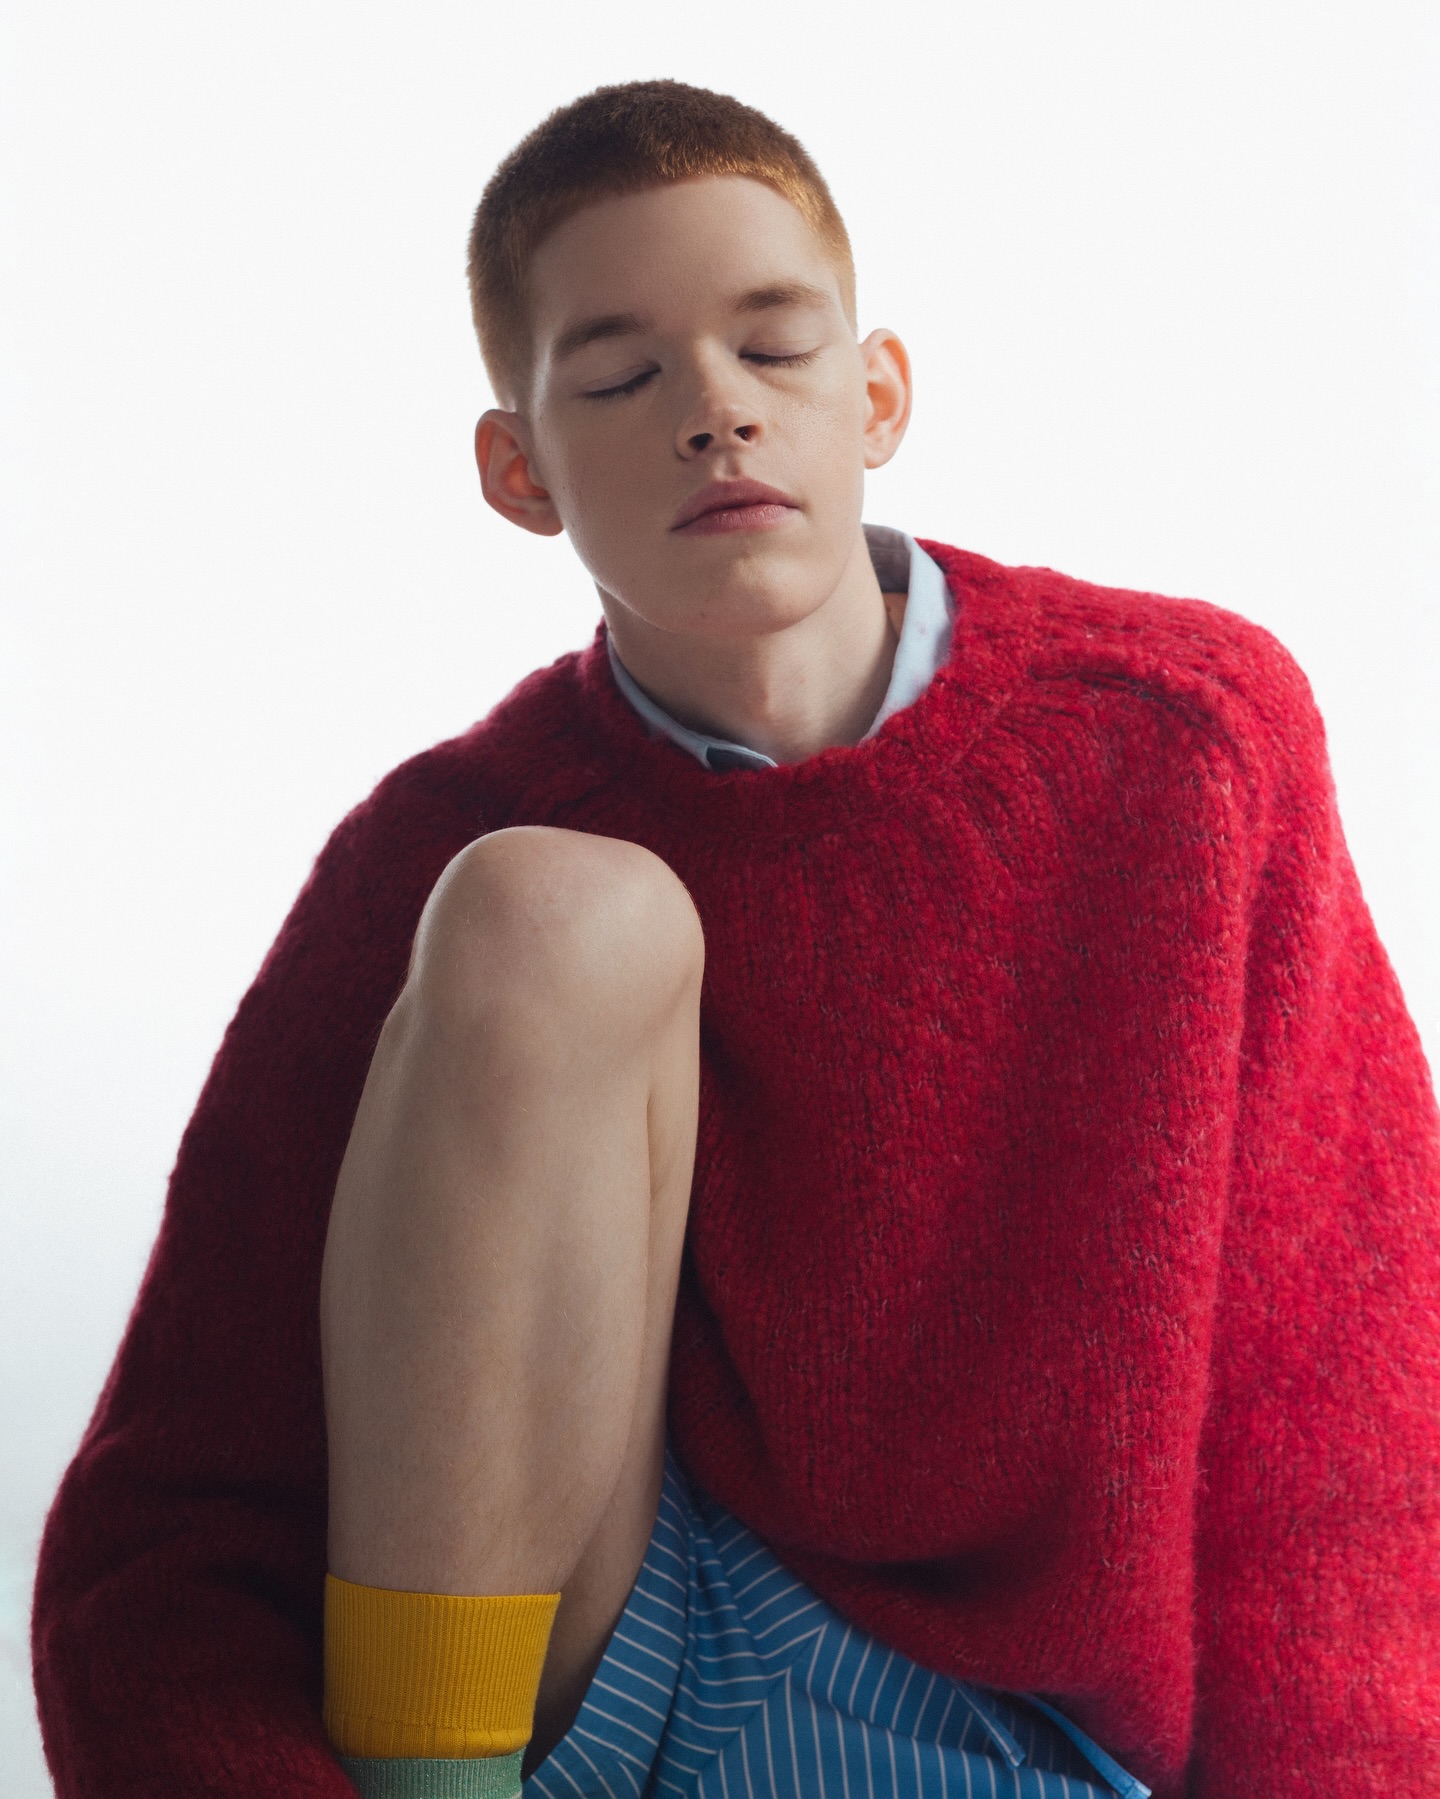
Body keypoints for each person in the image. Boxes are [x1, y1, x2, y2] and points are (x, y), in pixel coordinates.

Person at [31, 79, 1440, 1799]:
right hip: (577, 1689)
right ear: (519, 471)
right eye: (621, 379)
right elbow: (179, 1504)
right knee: (553, 910)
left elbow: (1352, 1407)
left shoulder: (1190, 739)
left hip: (1033, 1734)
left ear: (878, 394)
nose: (716, 412)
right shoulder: (440, 850)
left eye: (773, 348)